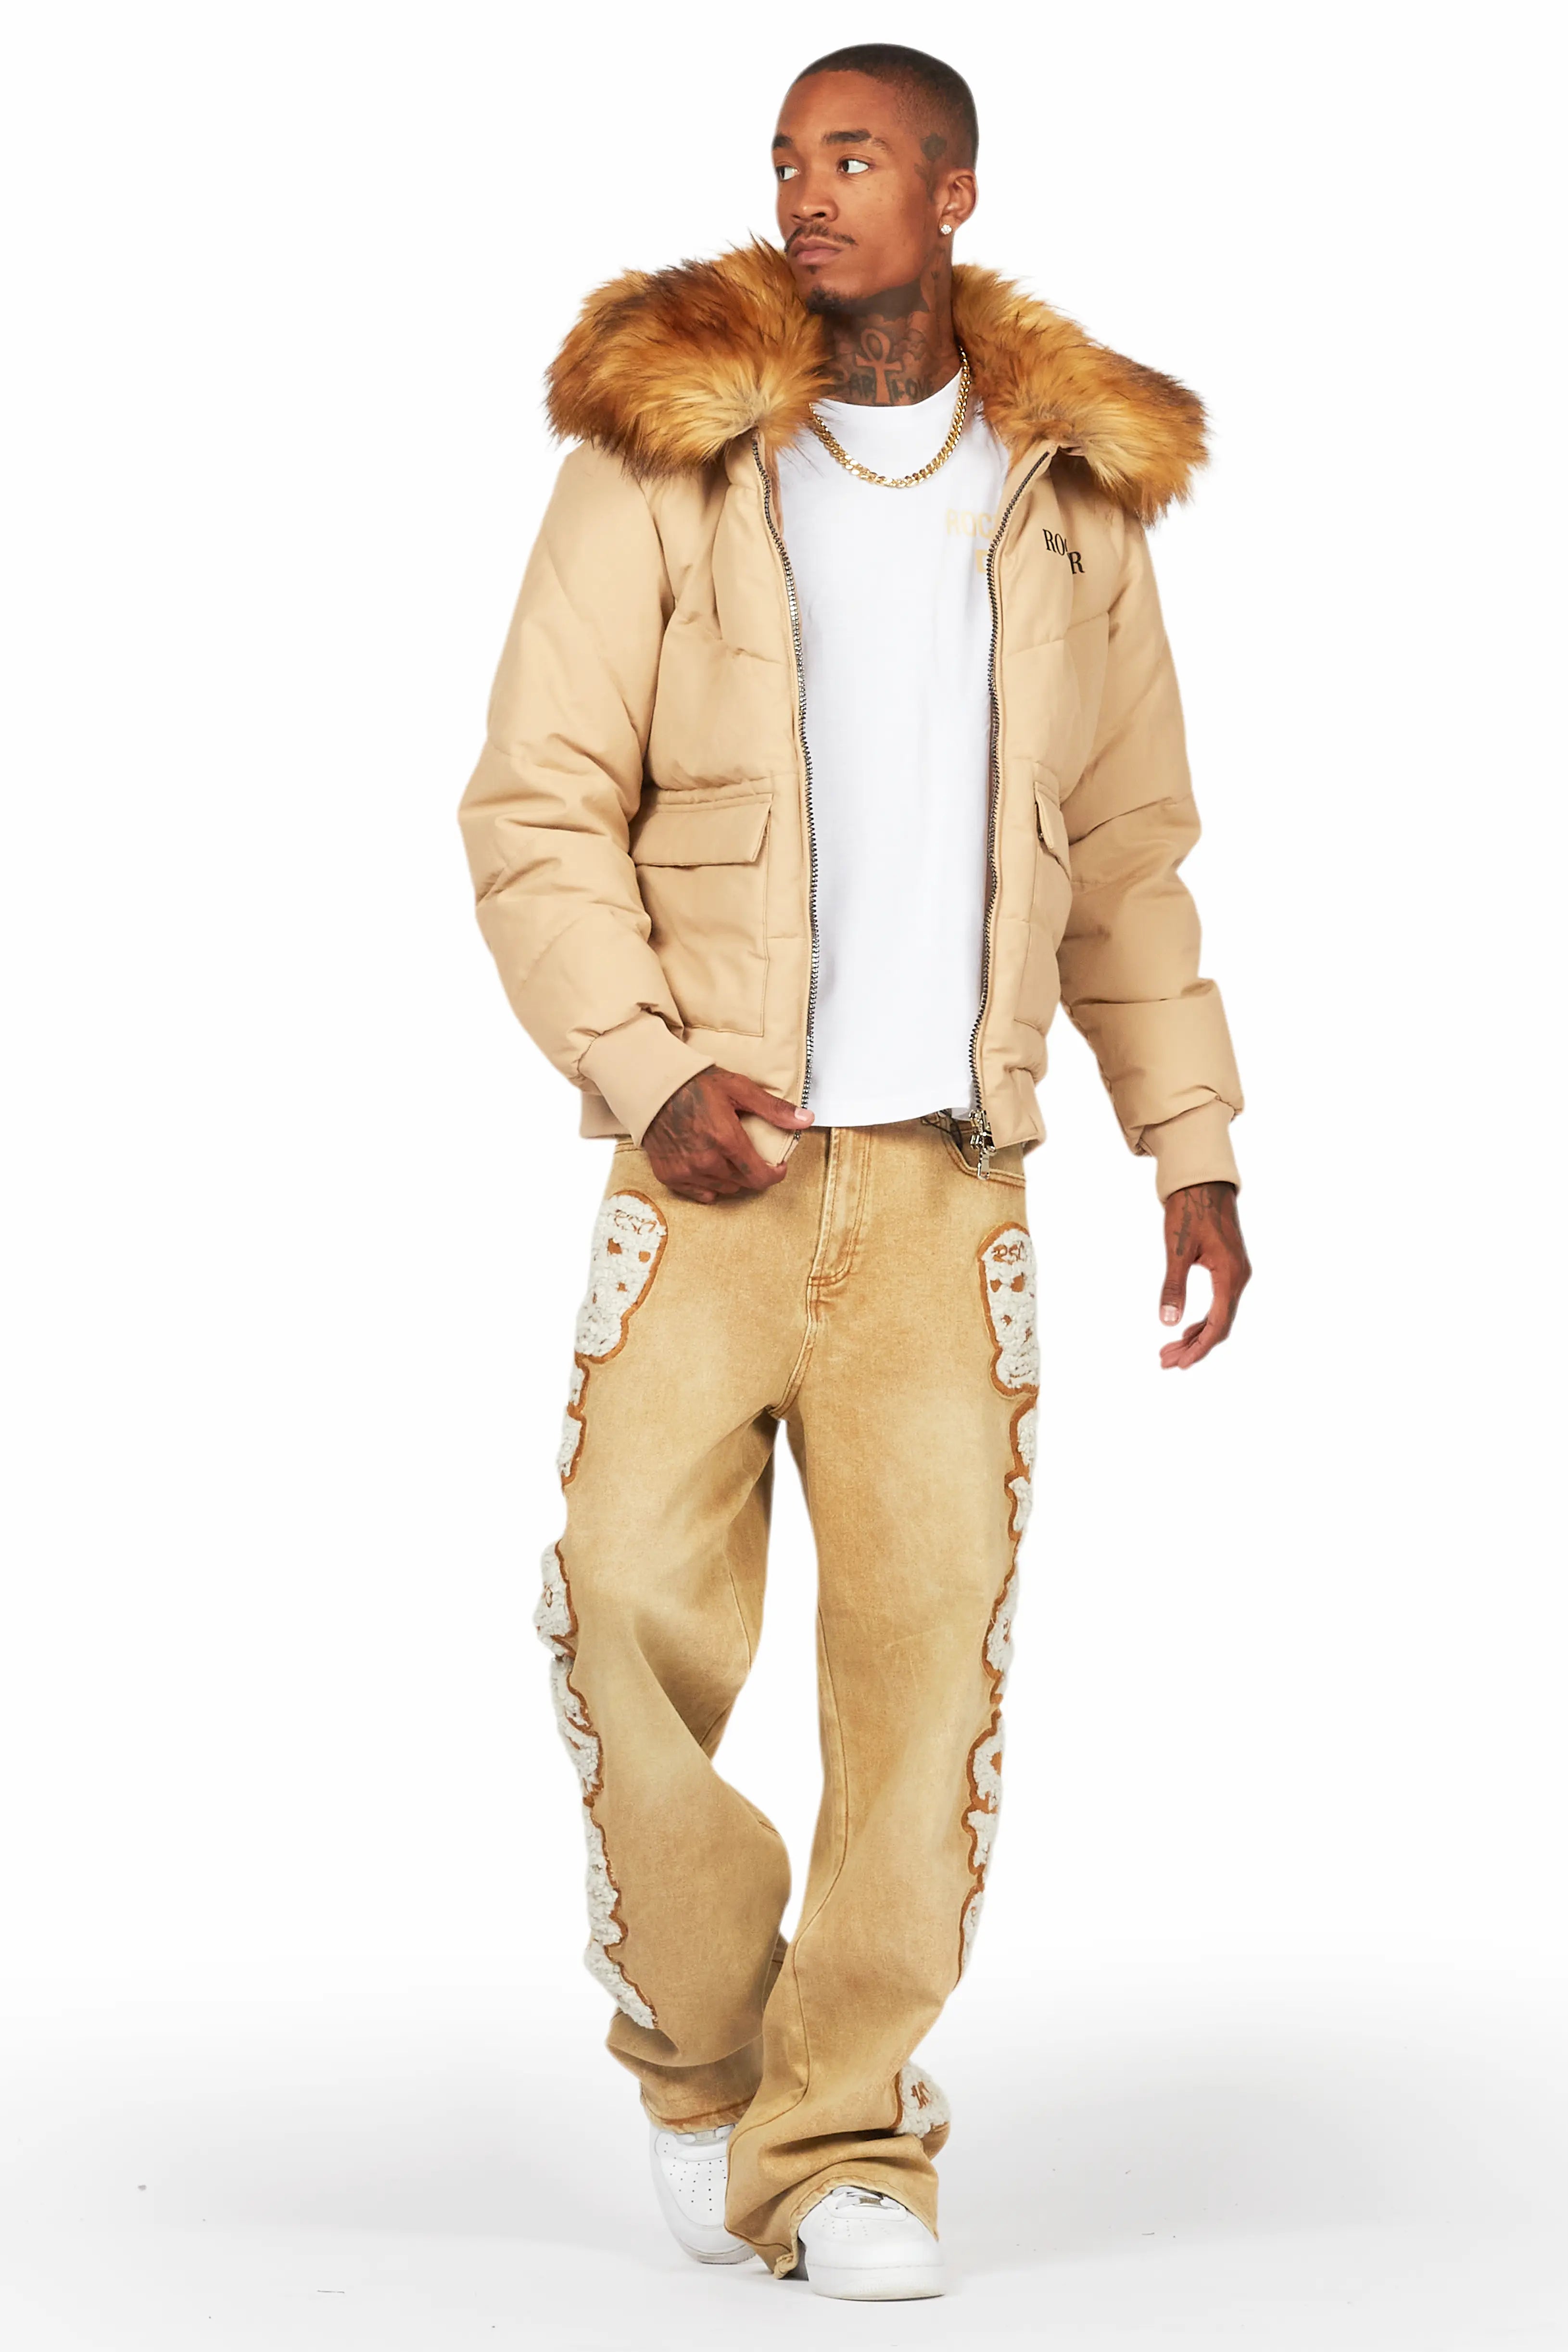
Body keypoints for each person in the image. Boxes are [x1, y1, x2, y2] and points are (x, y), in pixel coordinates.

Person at [458, 41, 1250, 2302]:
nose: (809, 194)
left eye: (857, 156)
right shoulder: (664, 457)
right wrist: (645, 1071)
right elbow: (533, 803)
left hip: (945, 1192)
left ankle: (844, 2138)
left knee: (923, 1693)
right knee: (616, 1608)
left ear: (952, 192)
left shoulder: (1068, 497)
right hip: (701, 1176)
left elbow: (1127, 854)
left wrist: (1187, 1146)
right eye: (788, 159)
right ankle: (705, 2061)